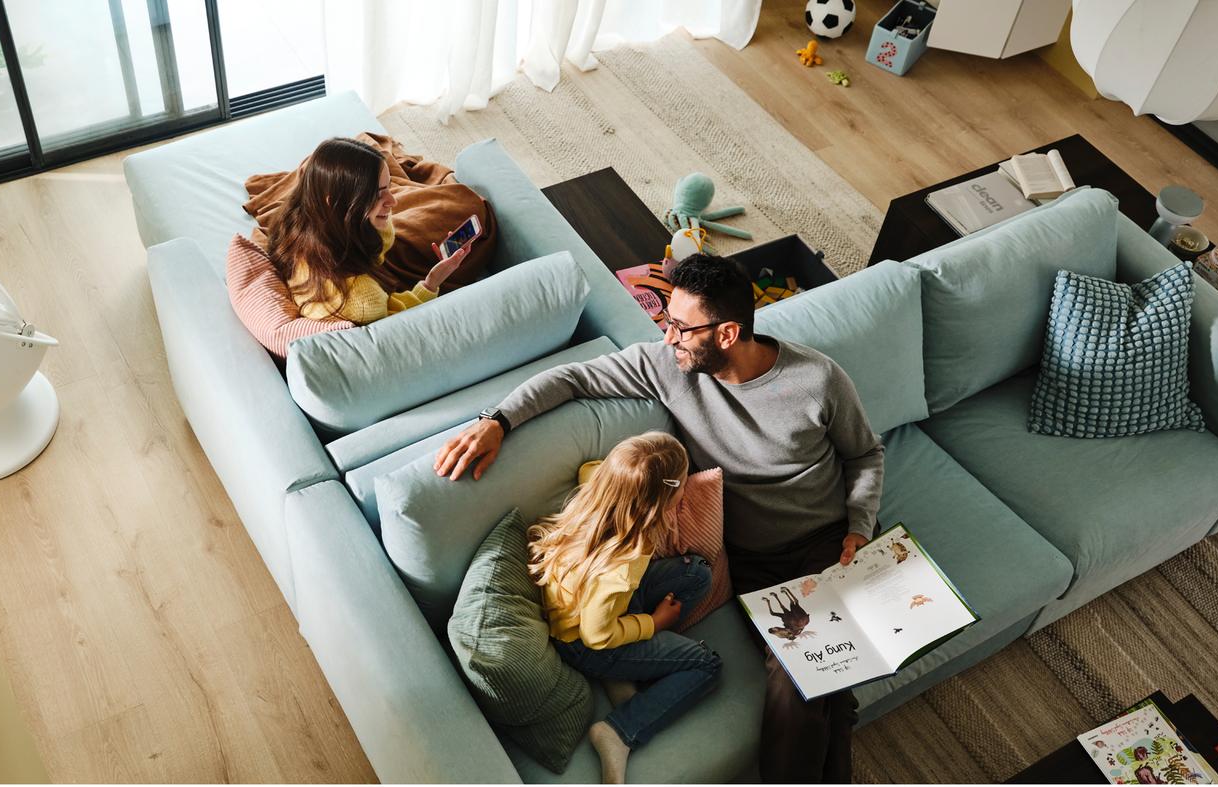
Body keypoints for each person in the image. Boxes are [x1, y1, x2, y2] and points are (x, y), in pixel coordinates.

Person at [435, 253, 885, 783]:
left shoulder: (818, 380)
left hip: (828, 543)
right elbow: (574, 379)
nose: (668, 337)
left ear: (728, 333)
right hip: (754, 561)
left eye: (679, 326)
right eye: (666, 322)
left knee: (818, 679)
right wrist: (497, 421)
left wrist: (859, 527)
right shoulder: (669, 366)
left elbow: (864, 455)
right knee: (811, 676)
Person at [529, 431, 721, 784]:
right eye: (681, 488)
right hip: (588, 644)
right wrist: (653, 623)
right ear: (661, 502)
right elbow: (597, 634)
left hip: (600, 607)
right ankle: (619, 732)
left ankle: (626, 673)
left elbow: (591, 468)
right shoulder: (622, 564)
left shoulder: (597, 491)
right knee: (706, 666)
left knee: (696, 573)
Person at [266, 137, 473, 325]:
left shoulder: (296, 219)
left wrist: (376, 210)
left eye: (389, 187)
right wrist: (431, 283)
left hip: (362, 254)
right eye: (377, 194)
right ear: (335, 204)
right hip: (371, 282)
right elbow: (401, 323)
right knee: (468, 207)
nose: (393, 201)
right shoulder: (364, 300)